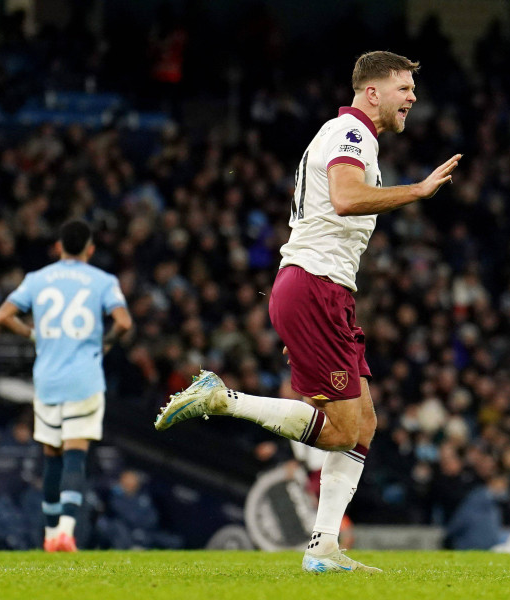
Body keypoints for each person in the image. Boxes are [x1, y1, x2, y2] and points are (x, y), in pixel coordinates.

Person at [155, 50, 461, 572]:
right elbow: (344, 198)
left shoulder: (347, 135)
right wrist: (419, 190)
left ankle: (323, 548)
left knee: (363, 422)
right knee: (341, 430)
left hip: (320, 290)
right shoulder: (352, 134)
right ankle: (221, 399)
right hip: (315, 287)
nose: (412, 97)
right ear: (373, 92)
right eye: (404, 88)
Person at [0, 219, 132, 552]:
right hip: (83, 378)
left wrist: (31, 334)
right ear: (90, 249)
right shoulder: (103, 280)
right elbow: (123, 322)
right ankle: (66, 533)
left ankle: (49, 532)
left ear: (58, 247)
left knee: (52, 456)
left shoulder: (37, 279)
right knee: (75, 455)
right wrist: (106, 343)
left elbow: (1, 316)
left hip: (48, 378)